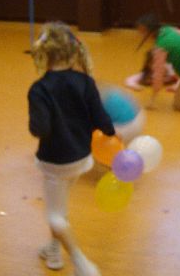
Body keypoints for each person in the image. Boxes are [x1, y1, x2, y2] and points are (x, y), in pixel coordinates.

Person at [28, 22, 115, 276]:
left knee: (55, 216)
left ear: (45, 53)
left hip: (55, 163)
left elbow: (39, 129)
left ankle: (81, 263)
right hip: (81, 159)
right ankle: (54, 250)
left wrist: (37, 120)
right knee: (60, 207)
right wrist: (111, 133)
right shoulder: (86, 82)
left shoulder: (39, 89)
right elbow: (103, 121)